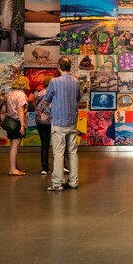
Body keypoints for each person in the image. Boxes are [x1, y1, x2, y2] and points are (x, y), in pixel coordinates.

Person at [44, 57, 81, 191]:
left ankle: (57, 183)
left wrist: (49, 111)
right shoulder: (76, 82)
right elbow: (78, 98)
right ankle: (73, 181)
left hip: (58, 121)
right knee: (72, 152)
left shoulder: (54, 82)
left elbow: (46, 99)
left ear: (59, 67)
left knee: (58, 153)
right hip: (72, 121)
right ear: (69, 67)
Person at [5, 75, 29, 176]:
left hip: (10, 122)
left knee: (13, 146)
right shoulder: (21, 95)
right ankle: (13, 169)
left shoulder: (10, 94)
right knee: (15, 146)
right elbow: (20, 110)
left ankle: (15, 167)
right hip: (17, 122)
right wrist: (22, 125)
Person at [34, 75, 54, 175]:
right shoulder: (53, 94)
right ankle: (61, 166)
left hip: (40, 121)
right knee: (57, 145)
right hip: (52, 121)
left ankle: (44, 168)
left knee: (44, 145)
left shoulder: (38, 94)